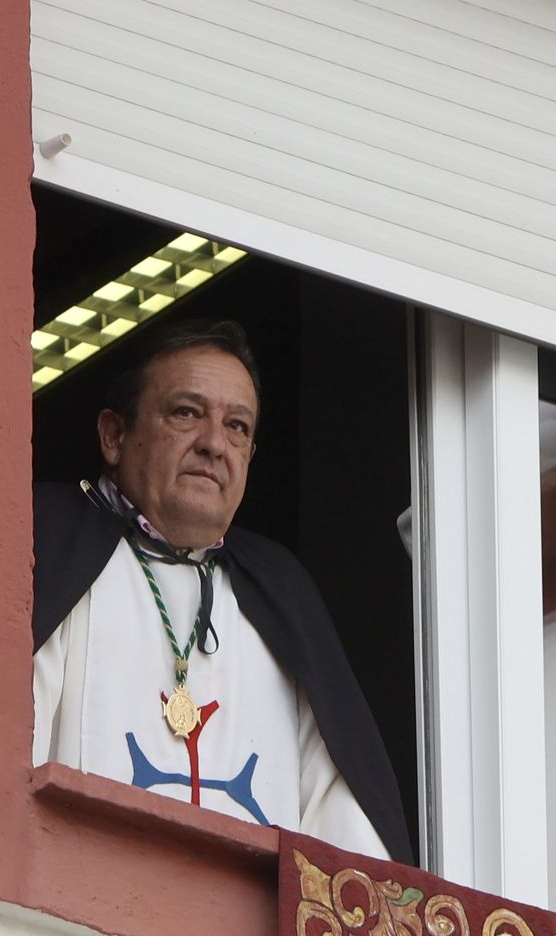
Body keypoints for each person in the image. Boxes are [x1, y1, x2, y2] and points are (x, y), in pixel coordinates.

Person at [32, 318, 410, 860]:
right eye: (186, 413)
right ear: (115, 435)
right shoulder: (47, 539)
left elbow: (347, 845)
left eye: (237, 426)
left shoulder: (280, 592)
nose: (214, 444)